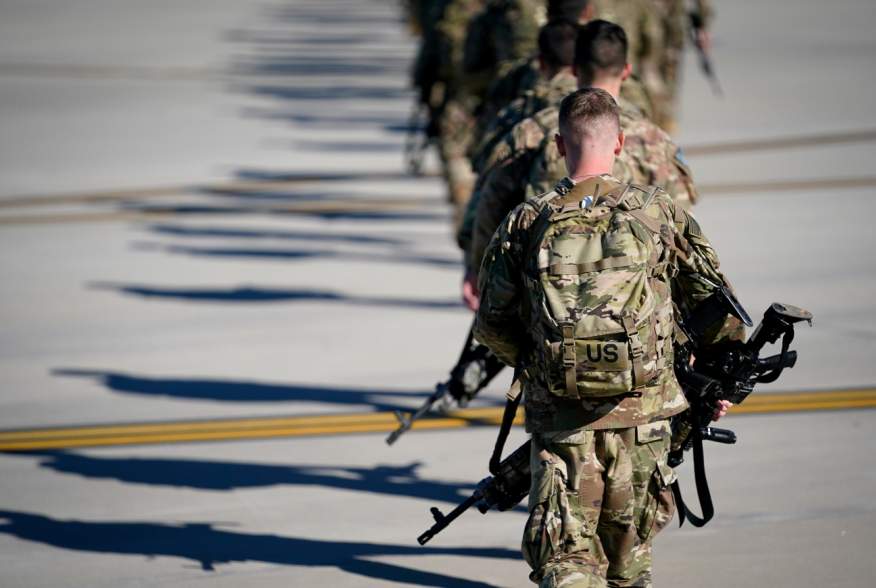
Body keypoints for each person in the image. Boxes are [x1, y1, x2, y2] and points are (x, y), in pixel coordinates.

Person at [474, 87, 741, 587]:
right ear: (619, 142)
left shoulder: (527, 221)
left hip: (562, 422)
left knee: (568, 562)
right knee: (628, 566)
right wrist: (714, 380)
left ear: (558, 144)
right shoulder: (658, 213)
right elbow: (718, 308)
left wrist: (540, 363)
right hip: (645, 417)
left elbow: (492, 323)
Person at [463, 19, 697, 310]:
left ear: (574, 69)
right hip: (633, 311)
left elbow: (490, 204)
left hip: (548, 308)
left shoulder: (532, 132)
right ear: (626, 70)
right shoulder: (655, 141)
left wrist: (477, 270)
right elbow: (680, 229)